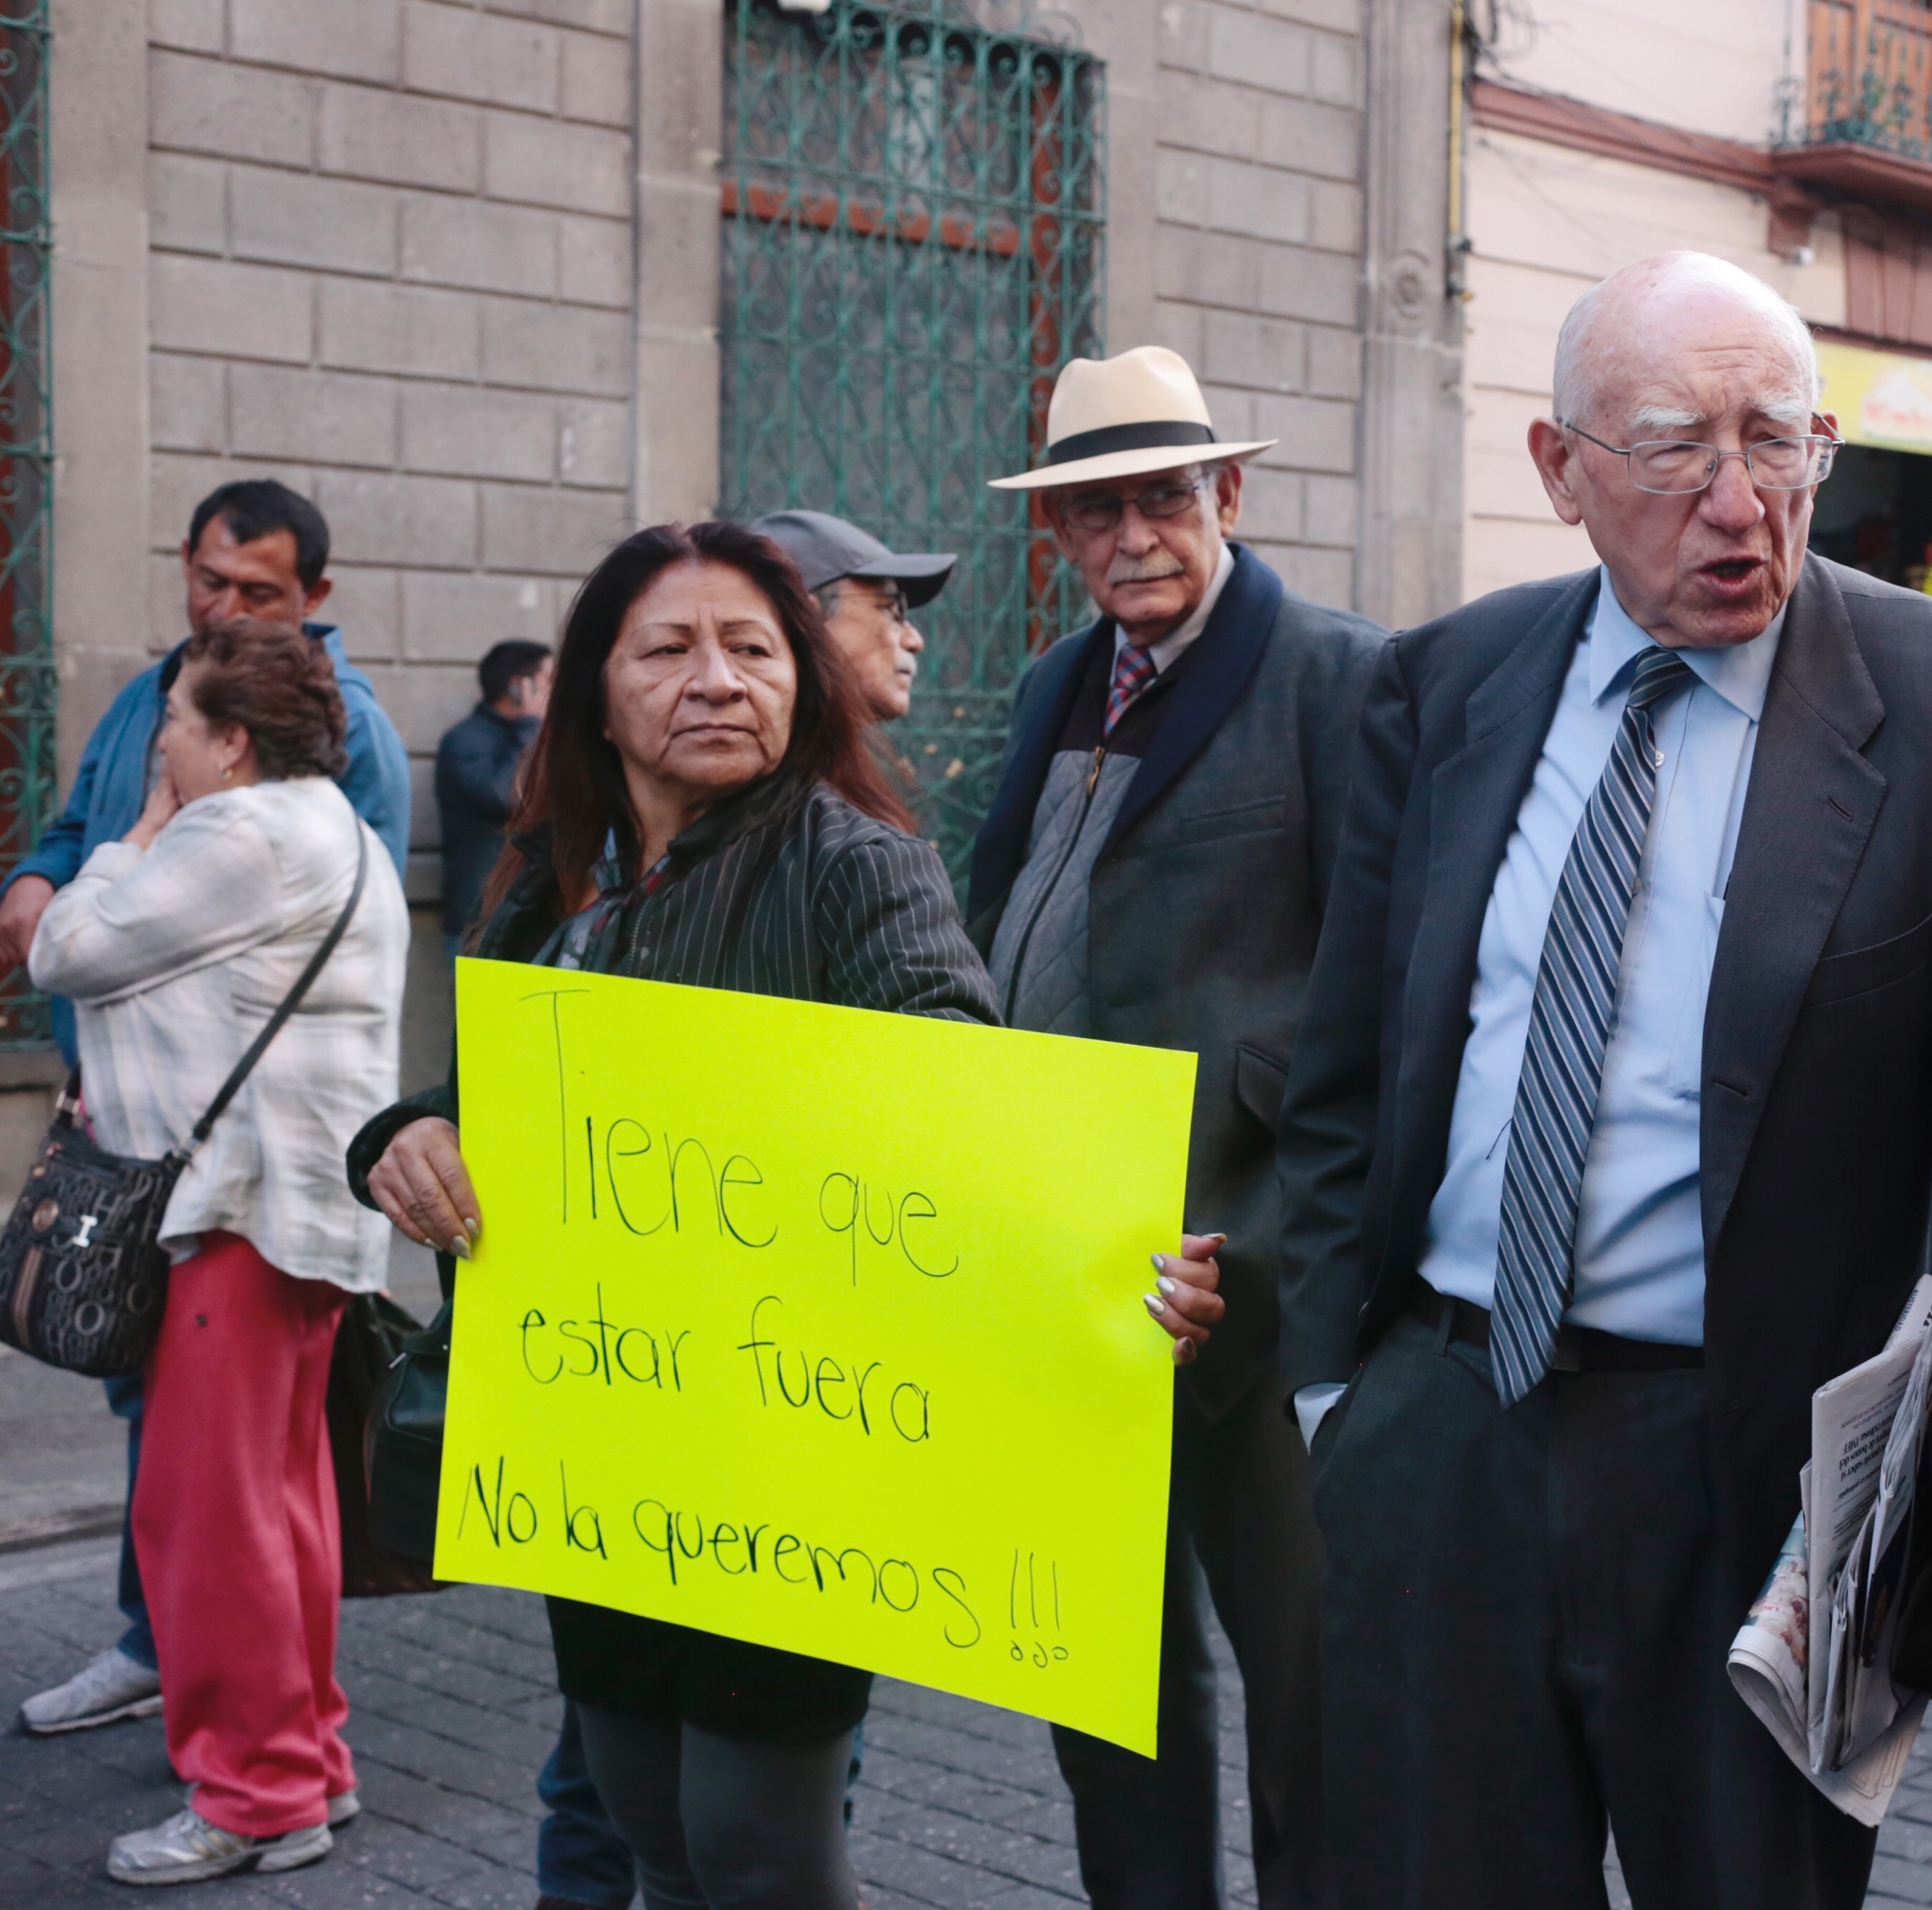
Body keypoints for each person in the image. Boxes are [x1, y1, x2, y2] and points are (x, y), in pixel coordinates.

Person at [1278, 251, 1932, 1910]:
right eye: (1671, 449)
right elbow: (1348, 1059)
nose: (1740, 506)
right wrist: (1333, 1399)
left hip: (1753, 1471)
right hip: (1445, 1426)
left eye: (1778, 444)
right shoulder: (1443, 686)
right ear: (1559, 469)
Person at [344, 521, 1229, 1910]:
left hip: (788, 1462)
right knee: (650, 1828)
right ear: (596, 690)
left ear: (800, 684)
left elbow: (966, 1106)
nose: (717, 679)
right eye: (671, 648)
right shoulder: (549, 878)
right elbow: (466, 1101)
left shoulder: (849, 861)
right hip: (600, 1447)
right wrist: (404, 1140)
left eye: (753, 648)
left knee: (760, 1852)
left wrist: (1105, 1263)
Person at [970, 344, 1382, 1910]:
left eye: (1160, 496)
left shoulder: (1336, 675)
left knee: (1312, 1706)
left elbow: (1388, 1011)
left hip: (1256, 1297)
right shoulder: (1049, 685)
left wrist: (1261, 1254)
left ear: (1228, 492)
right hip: (1075, 1286)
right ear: (1058, 534)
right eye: (1092, 509)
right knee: (1104, 1699)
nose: (1129, 534)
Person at [7, 477, 412, 1743]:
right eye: (208, 580)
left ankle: (254, 1774)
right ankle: (264, 1730)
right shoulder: (213, 744)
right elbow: (74, 842)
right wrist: (59, 866)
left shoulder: (270, 811)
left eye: (255, 592)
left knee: (216, 1504)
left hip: (226, 1196)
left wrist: (124, 852)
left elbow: (86, 942)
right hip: (215, 1192)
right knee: (248, 1492)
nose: (219, 606)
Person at [745, 509, 953, 725]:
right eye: (892, 612)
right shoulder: (751, 755)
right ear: (809, 619)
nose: (914, 641)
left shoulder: (821, 755)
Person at [436, 641, 551, 948]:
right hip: (480, 918)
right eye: (548, 682)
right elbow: (506, 796)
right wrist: (531, 724)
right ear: (519, 688)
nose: (556, 692)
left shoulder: (539, 737)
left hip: (532, 916)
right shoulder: (465, 740)